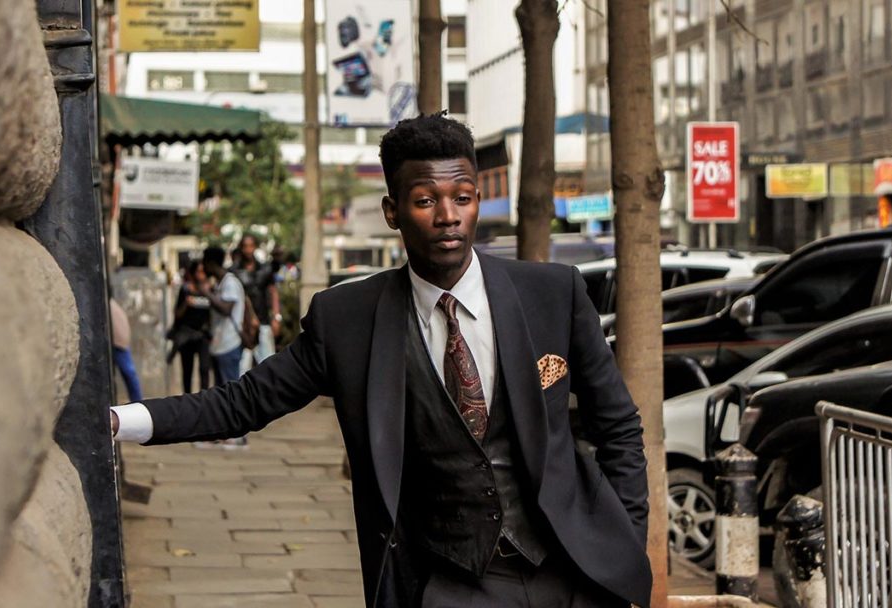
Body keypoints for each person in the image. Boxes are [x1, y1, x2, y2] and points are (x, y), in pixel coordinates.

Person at [111, 113, 651, 608]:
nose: (448, 216)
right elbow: (243, 402)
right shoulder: (347, 321)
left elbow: (618, 426)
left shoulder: (553, 294)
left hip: (573, 572)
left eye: (462, 197)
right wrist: (119, 421)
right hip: (450, 584)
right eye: (425, 200)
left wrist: (623, 542)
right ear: (393, 211)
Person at [231, 233, 282, 369]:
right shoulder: (234, 271)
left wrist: (276, 317)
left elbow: (273, 292)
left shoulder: (265, 269)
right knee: (242, 370)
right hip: (243, 327)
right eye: (245, 246)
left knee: (268, 366)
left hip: (263, 321)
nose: (248, 250)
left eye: (251, 246)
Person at [199, 246, 245, 384]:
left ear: (211, 264)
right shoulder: (221, 284)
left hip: (229, 344)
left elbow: (226, 309)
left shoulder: (230, 283)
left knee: (230, 392)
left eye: (204, 263)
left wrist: (206, 293)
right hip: (220, 345)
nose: (203, 268)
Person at [168, 260, 212, 393]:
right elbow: (177, 314)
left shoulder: (210, 289)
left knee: (204, 369)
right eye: (198, 271)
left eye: (203, 272)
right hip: (187, 335)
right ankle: (187, 400)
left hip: (203, 335)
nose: (201, 275)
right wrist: (186, 304)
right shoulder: (186, 289)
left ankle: (204, 399)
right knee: (187, 370)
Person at [108, 297, 142, 402]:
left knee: (129, 373)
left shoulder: (107, 302)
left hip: (117, 341)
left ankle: (137, 403)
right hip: (116, 340)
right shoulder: (109, 302)